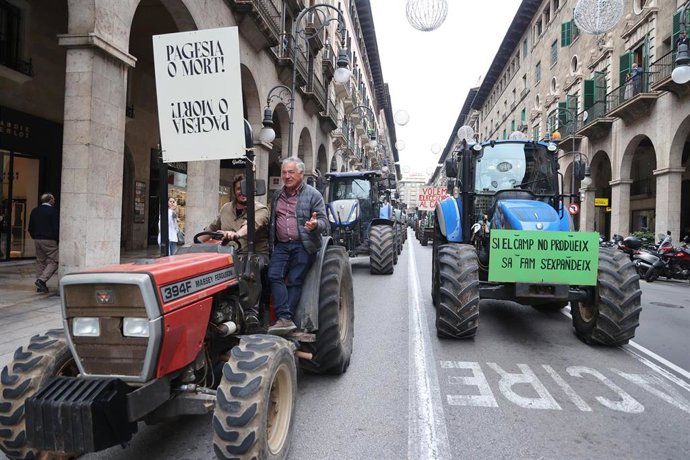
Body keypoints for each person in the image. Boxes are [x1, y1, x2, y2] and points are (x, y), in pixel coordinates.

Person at [267, 157, 328, 335]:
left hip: (304, 244)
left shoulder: (313, 194)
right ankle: (284, 318)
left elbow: (325, 222)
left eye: (291, 172)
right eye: (284, 172)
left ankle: (285, 318)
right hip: (282, 245)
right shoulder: (277, 194)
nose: (287, 176)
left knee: (295, 280)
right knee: (273, 275)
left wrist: (315, 225)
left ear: (301, 173)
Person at [202, 174, 270, 257]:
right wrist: (192, 245)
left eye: (245, 189)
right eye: (238, 189)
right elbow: (212, 229)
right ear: (234, 191)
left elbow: (251, 225)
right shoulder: (226, 208)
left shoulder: (261, 209)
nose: (242, 192)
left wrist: (236, 234)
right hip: (229, 254)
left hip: (254, 256)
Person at [28, 193, 59, 293]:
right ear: (50, 200)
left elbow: (30, 227)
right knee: (55, 260)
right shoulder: (53, 211)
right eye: (53, 199)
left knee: (40, 261)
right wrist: (57, 239)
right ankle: (41, 280)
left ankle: (40, 286)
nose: (54, 201)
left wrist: (34, 236)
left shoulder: (35, 210)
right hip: (49, 239)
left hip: (37, 239)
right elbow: (56, 227)